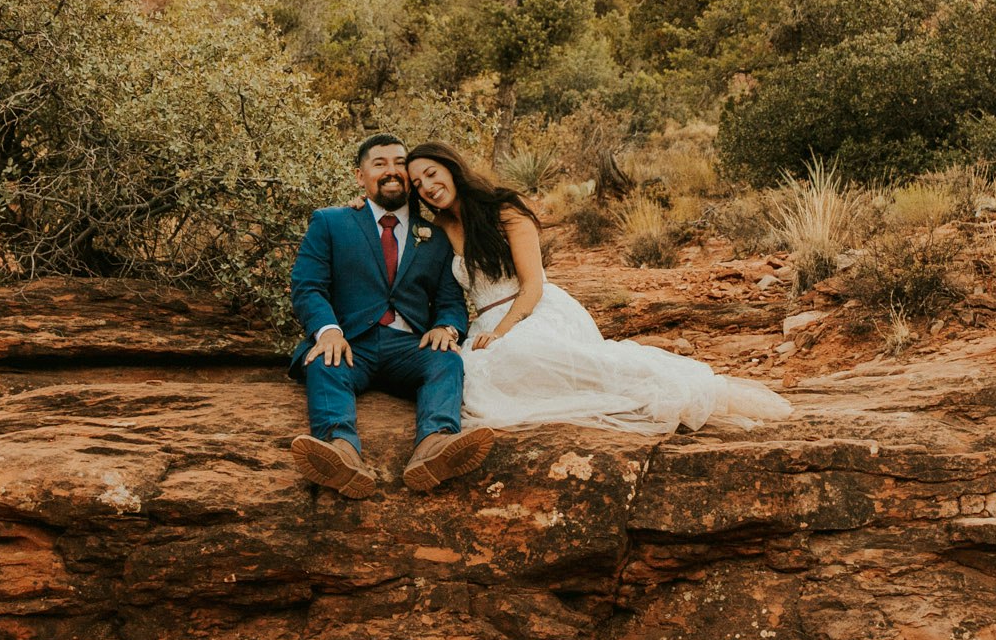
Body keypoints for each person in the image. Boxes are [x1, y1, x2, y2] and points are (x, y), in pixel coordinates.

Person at [404, 140, 793, 433]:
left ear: (451, 167)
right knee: (472, 379)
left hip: (532, 310)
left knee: (523, 354)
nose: (428, 186)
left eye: (432, 173)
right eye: (418, 183)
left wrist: (503, 331)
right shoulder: (438, 230)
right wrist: (357, 207)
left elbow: (532, 284)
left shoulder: (503, 209)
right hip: (484, 325)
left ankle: (666, 395)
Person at [287, 134, 497, 497]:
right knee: (324, 362)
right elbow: (308, 285)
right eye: (379, 163)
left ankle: (434, 447)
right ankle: (342, 453)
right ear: (360, 176)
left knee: (445, 361)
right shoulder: (330, 222)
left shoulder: (436, 234)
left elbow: (450, 298)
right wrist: (328, 331)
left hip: (409, 346)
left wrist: (447, 327)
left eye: (400, 163)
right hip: (352, 345)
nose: (391, 171)